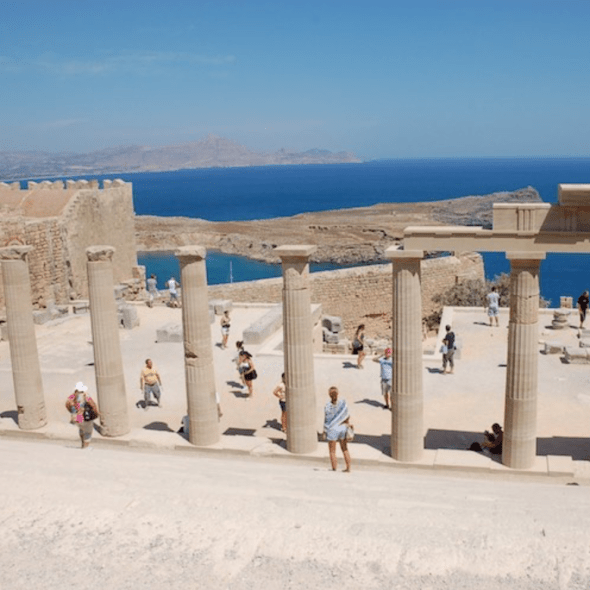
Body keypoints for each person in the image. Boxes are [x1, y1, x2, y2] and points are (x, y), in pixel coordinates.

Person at [323, 386, 352, 472]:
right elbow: (347, 416)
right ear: (337, 394)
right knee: (344, 448)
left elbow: (327, 420)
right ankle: (348, 467)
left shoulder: (328, 406)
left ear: (329, 395)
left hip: (332, 429)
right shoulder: (343, 403)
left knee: (332, 451)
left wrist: (325, 431)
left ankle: (334, 468)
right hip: (342, 427)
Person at [65, 382, 99, 449]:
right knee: (88, 432)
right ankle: (85, 447)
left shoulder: (73, 395)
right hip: (83, 416)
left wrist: (72, 411)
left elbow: (67, 404)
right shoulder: (86, 395)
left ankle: (82, 443)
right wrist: (96, 413)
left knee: (81, 428)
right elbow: (92, 404)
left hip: (75, 417)